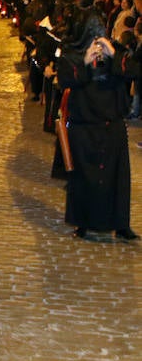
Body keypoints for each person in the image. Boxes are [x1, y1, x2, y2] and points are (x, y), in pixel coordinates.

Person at [58, 31, 139, 240]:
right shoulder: (73, 57)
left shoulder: (117, 56)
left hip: (112, 128)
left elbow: (134, 71)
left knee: (116, 180)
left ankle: (120, 224)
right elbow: (65, 80)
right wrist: (86, 60)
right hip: (84, 129)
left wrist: (112, 53)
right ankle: (82, 223)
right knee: (83, 180)